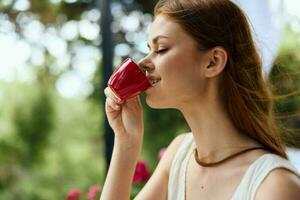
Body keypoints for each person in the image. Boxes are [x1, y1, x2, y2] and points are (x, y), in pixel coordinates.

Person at [101, 0, 300, 199]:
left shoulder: (275, 186)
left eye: (161, 49)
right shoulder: (179, 155)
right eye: (149, 49)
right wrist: (127, 141)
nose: (144, 62)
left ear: (213, 61)